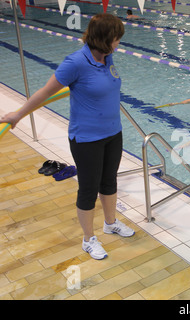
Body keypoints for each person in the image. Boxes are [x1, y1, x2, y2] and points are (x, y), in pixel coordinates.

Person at [0, 13, 135, 260]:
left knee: (109, 181)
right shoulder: (75, 63)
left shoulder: (107, 58)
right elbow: (44, 92)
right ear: (104, 39)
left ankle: (110, 223)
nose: (118, 43)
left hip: (113, 134)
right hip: (86, 139)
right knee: (88, 189)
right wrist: (18, 114)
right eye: (116, 38)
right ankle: (88, 239)